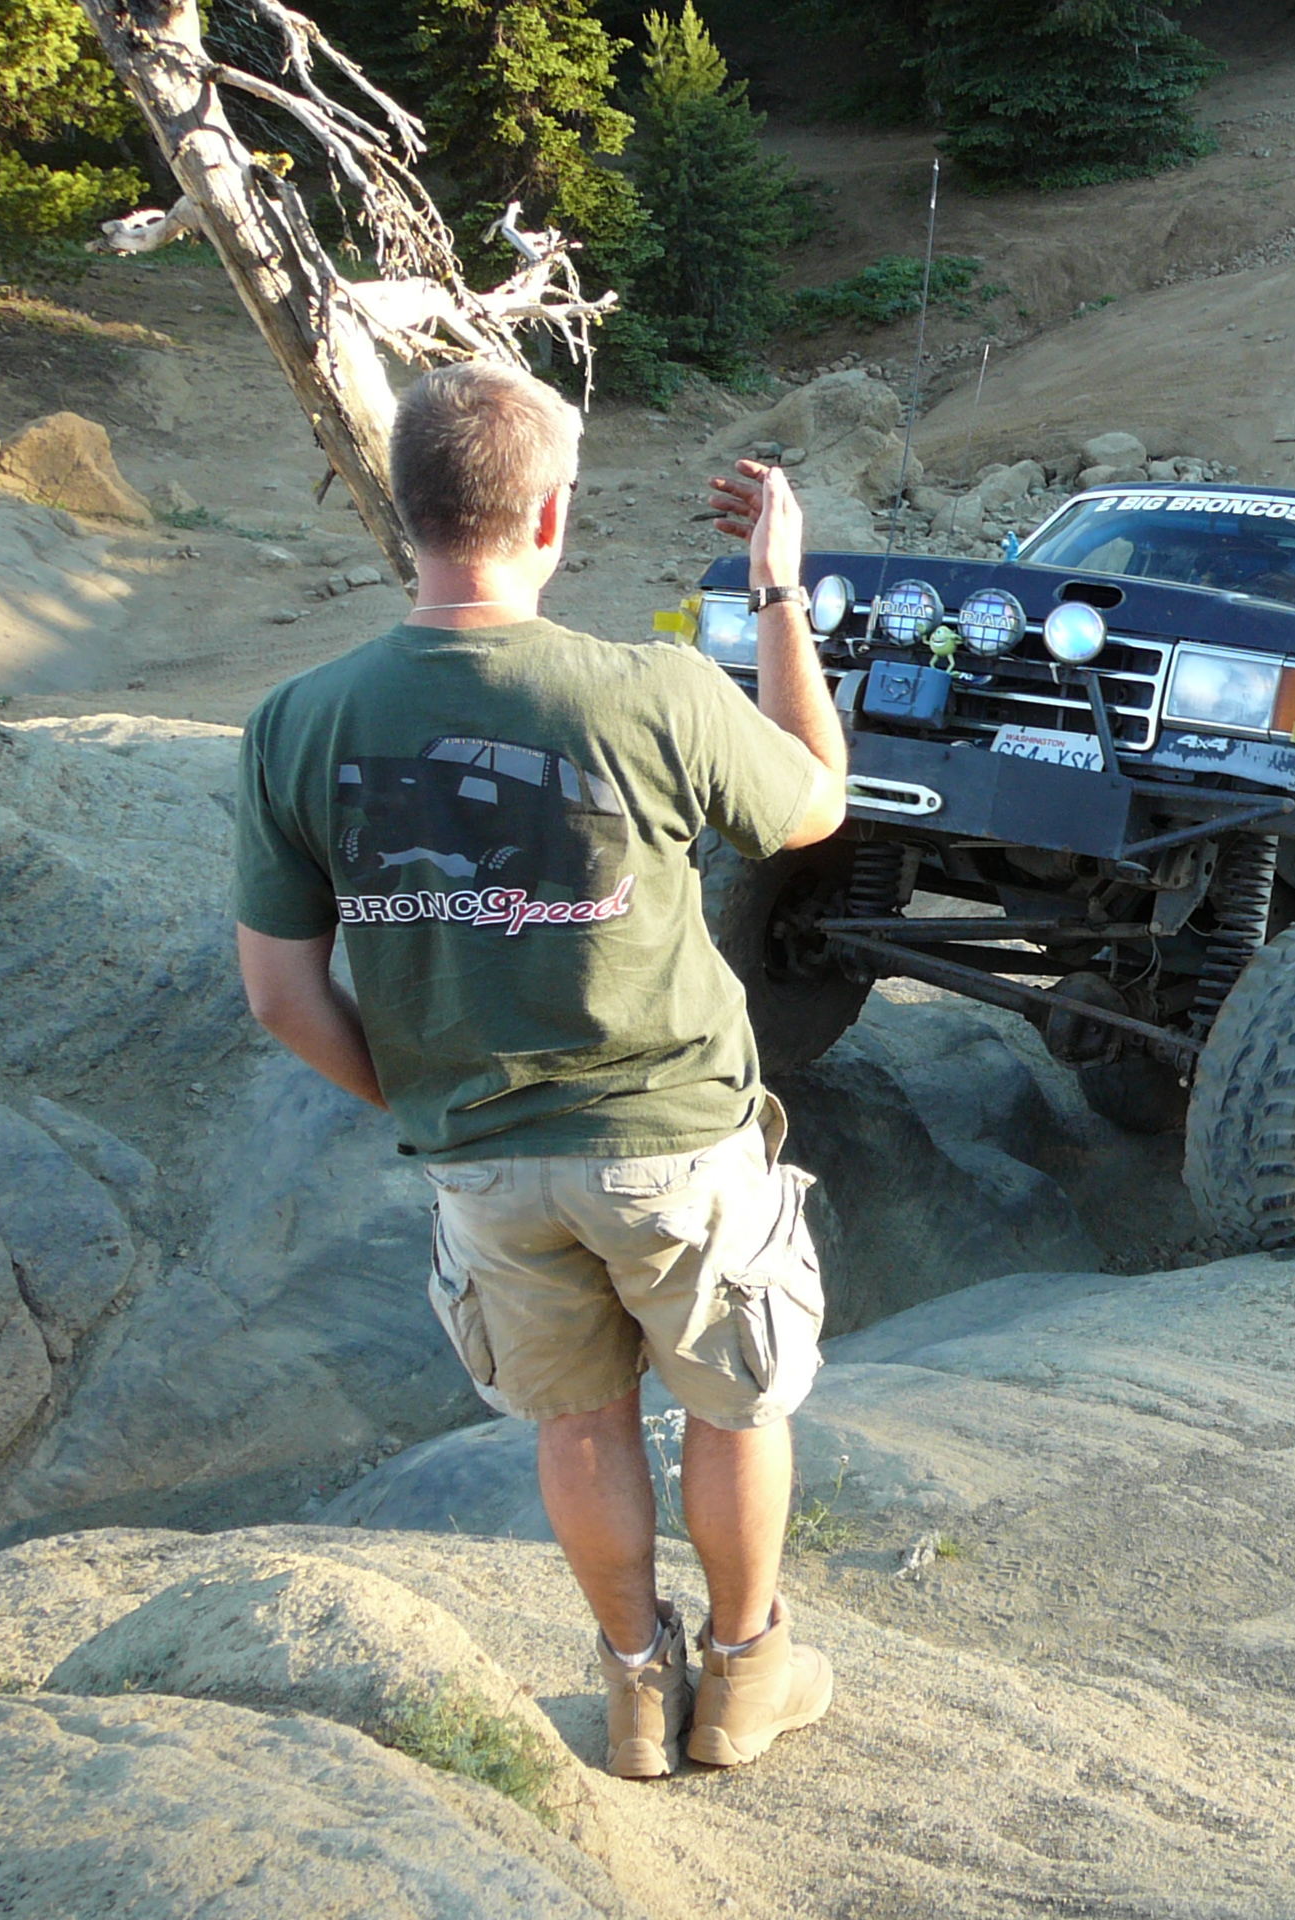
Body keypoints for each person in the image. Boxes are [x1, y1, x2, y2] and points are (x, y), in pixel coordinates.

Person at [232, 360, 851, 1779]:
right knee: (733, 1400)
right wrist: (777, 593)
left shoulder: (297, 722)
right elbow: (815, 803)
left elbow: (279, 994)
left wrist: (436, 1102)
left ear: (405, 508)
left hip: (483, 1162)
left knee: (578, 1418)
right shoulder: (654, 691)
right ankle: (744, 1678)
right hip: (674, 1141)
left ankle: (636, 1690)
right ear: (554, 513)